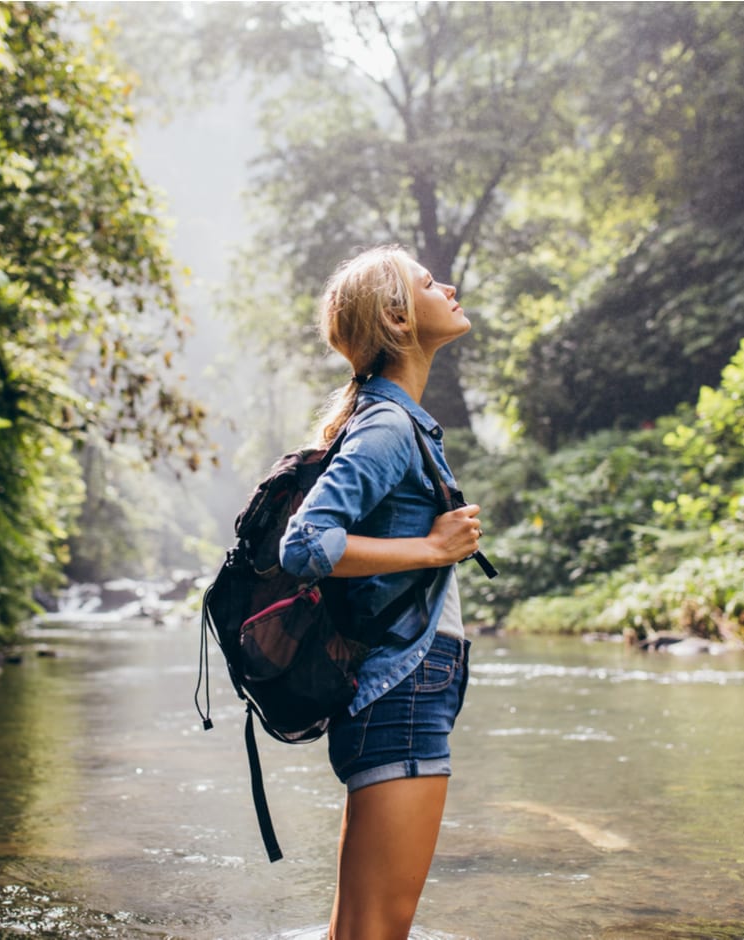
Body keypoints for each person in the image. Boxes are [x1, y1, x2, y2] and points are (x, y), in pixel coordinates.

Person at [279, 245, 483, 939]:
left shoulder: (391, 419)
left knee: (359, 930)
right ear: (398, 317)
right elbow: (305, 545)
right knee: (378, 930)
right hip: (401, 692)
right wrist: (430, 548)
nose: (448, 287)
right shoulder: (390, 425)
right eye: (430, 283)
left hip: (397, 688)